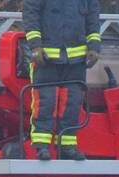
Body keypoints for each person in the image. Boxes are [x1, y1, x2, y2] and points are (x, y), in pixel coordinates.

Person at [23, 0, 101, 161]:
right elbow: (31, 15)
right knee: (46, 102)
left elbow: (93, 19)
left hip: (76, 61)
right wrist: (35, 46)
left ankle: (67, 147)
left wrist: (94, 47)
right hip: (46, 59)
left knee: (72, 104)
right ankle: (41, 147)